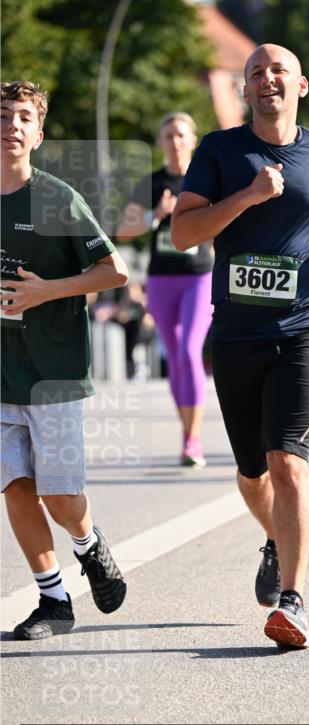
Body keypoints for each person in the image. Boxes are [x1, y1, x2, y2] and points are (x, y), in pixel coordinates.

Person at [171, 44, 309, 649]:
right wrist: (246, 197)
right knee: (250, 473)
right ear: (245, 91)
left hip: (305, 327)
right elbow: (183, 232)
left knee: (288, 460)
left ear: (302, 85)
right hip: (237, 333)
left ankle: (293, 601)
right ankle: (275, 538)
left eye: (278, 72)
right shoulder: (219, 151)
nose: (268, 80)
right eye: (256, 74)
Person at [1, 80, 129, 640]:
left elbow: (114, 272)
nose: (11, 125)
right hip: (1, 374)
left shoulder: (56, 198)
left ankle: (89, 544)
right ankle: (54, 601)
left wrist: (43, 291)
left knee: (57, 493)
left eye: (23, 117)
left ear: (39, 132)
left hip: (52, 372)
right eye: (3, 115)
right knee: (14, 486)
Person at [117, 112, 213, 467]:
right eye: (168, 135)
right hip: (161, 279)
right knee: (174, 359)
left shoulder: (204, 177)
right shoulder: (151, 183)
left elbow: (222, 222)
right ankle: (186, 433)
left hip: (199, 275)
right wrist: (155, 215)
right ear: (160, 142)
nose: (174, 141)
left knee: (190, 350)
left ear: (193, 139)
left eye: (181, 135)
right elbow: (123, 231)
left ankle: (194, 438)